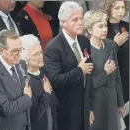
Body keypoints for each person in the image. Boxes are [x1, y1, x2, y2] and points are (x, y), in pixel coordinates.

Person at [43, 1, 94, 130]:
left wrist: (90, 106)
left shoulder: (84, 41)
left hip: (84, 106)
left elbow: (89, 75)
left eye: (81, 18)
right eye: (75, 20)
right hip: (66, 111)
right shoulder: (53, 48)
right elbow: (55, 80)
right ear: (63, 22)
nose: (80, 22)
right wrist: (79, 71)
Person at [83, 10, 124, 130]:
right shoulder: (85, 51)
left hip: (112, 101)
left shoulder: (111, 45)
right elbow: (88, 84)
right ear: (90, 30)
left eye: (105, 25)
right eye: (100, 26)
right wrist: (105, 72)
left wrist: (120, 103)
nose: (105, 29)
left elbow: (117, 77)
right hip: (96, 104)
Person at [0, 30, 32, 130]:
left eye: (20, 49)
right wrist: (27, 97)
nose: (19, 54)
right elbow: (6, 109)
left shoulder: (21, 64)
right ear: (1, 50)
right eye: (14, 51)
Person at [99, 1, 129, 128]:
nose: (121, 11)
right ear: (108, 8)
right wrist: (115, 44)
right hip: (113, 78)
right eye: (116, 8)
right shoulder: (102, 27)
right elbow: (100, 55)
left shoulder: (127, 26)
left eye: (123, 7)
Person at [20, 34, 57, 130]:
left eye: (41, 52)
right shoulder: (26, 82)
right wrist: (47, 94)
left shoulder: (44, 72)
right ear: (25, 59)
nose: (41, 56)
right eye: (35, 55)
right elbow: (33, 115)